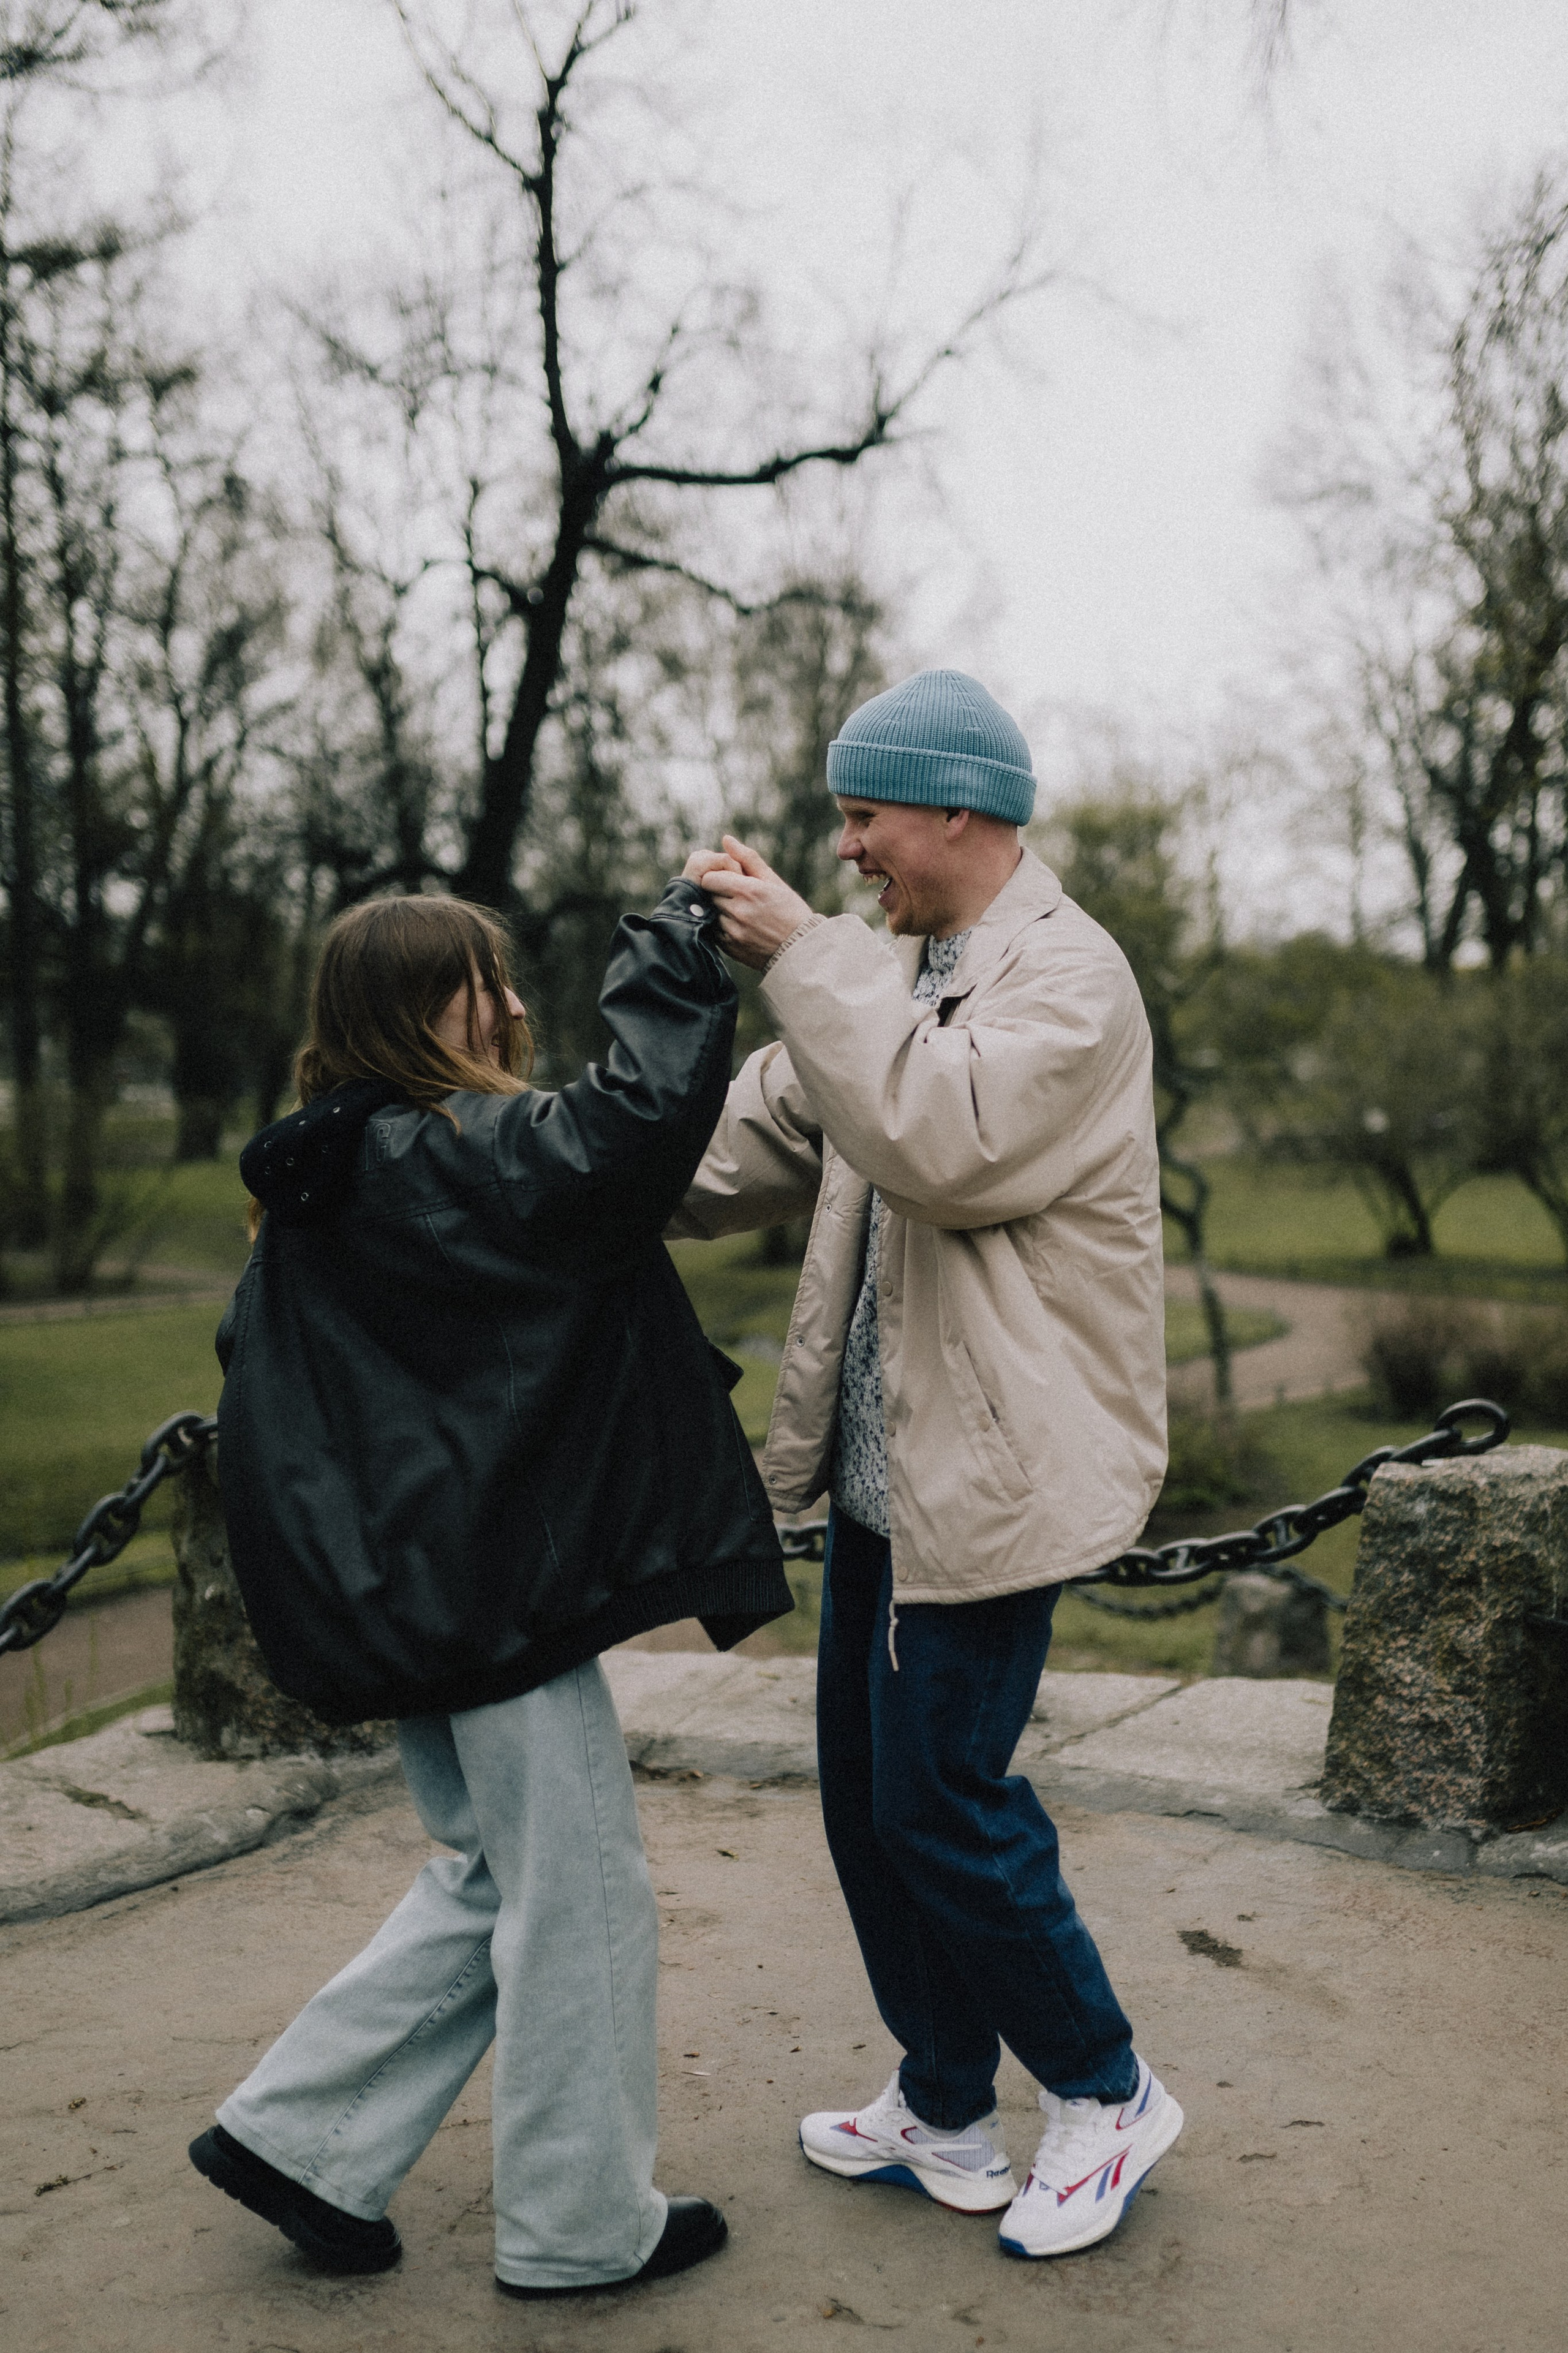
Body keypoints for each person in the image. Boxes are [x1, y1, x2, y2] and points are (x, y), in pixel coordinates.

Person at [189, 884, 791, 2298]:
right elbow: (624, 1135)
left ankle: (302, 2140)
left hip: (412, 1590)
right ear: (416, 1013)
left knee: (492, 1875)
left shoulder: (321, 1176)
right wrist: (673, 951)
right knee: (578, 1897)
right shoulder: (440, 1152)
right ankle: (581, 2227)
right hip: (490, 1596)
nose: (515, 1010)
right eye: (486, 987)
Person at [675, 668, 1183, 2260]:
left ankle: (1106, 2092)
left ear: (957, 806)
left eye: (865, 816)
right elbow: (743, 1145)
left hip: (996, 1482)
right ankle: (947, 2103)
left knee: (948, 1805)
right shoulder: (894, 965)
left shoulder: (1071, 980)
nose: (847, 851)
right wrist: (540, 1154)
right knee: (871, 1805)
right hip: (893, 1480)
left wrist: (806, 963)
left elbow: (941, 1137)